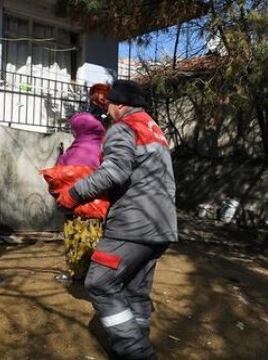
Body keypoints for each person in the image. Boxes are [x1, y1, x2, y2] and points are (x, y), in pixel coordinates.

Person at [57, 80, 178, 359]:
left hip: (131, 227)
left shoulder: (124, 128)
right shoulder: (154, 130)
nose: (107, 109)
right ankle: (132, 348)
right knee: (136, 292)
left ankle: (137, 353)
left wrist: (72, 194)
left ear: (120, 104)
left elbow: (114, 172)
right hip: (161, 227)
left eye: (109, 103)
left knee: (99, 283)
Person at [54, 112, 106, 283]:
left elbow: (59, 172)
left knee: (76, 238)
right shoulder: (102, 146)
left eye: (74, 129)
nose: (73, 132)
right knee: (94, 238)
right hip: (98, 206)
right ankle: (94, 273)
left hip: (76, 204)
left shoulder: (77, 149)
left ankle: (77, 273)